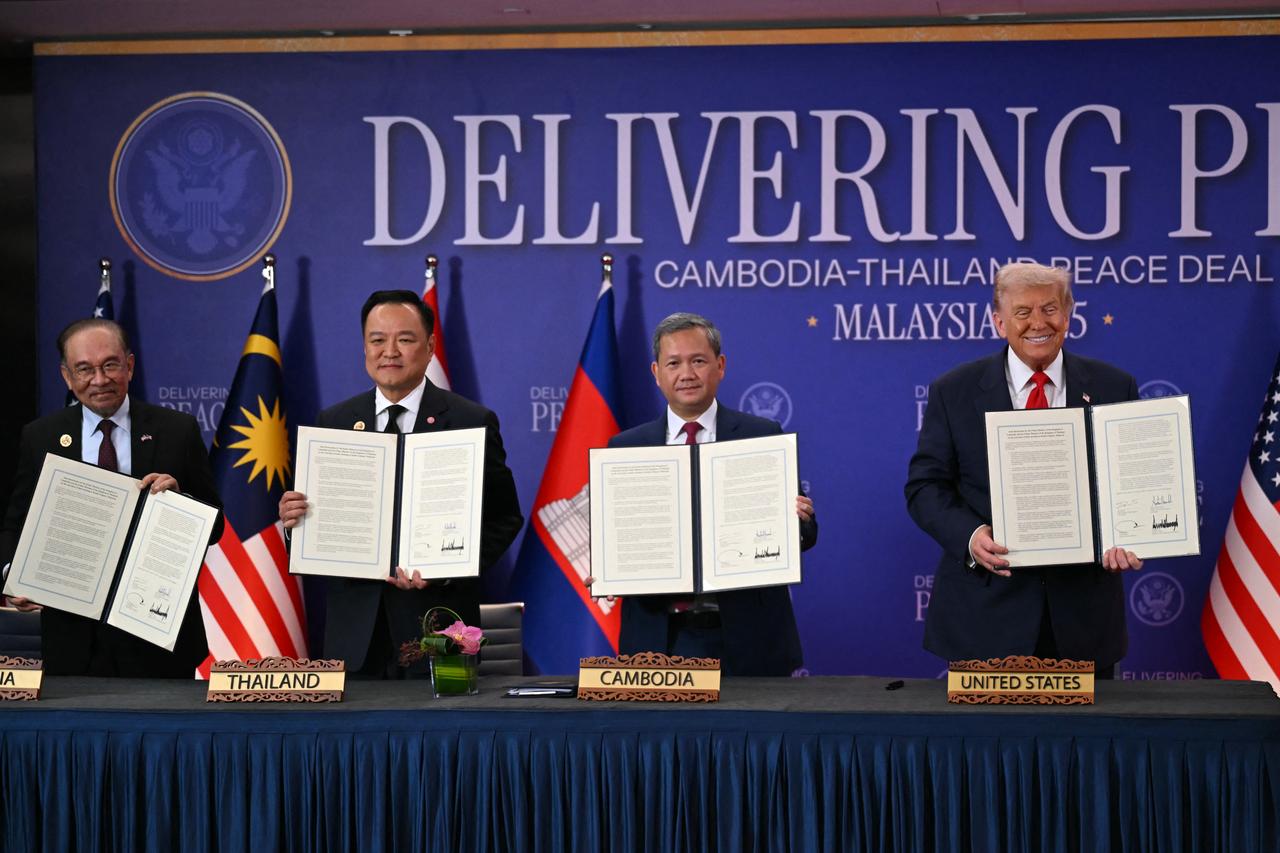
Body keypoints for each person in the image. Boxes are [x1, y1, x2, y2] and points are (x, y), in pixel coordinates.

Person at [905, 262, 1142, 676]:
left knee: (1082, 743)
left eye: (1050, 309)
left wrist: (1132, 532)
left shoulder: (1113, 387)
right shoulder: (953, 391)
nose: (1038, 323)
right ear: (999, 322)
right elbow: (925, 488)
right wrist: (971, 536)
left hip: (1083, 619)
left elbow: (1131, 484)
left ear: (1068, 315)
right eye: (1022, 312)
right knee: (982, 743)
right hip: (984, 618)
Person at [278, 290, 523, 677]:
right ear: (364, 348)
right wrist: (295, 522)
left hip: (440, 628)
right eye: (377, 340)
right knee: (353, 739)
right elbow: (313, 528)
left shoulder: (469, 421)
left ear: (429, 348)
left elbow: (504, 519)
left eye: (404, 340)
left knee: (444, 736)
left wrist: (445, 568)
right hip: (353, 636)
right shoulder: (335, 422)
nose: (389, 351)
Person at [598, 312, 817, 677]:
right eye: (674, 363)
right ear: (656, 373)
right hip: (658, 640)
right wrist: (606, 565)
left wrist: (800, 522)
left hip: (748, 637)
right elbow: (619, 539)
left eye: (698, 361)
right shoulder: (625, 448)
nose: (687, 373)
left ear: (720, 365)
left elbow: (805, 536)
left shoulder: (761, 436)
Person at [0, 318, 222, 676]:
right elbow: (15, 524)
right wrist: (14, 577)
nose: (99, 380)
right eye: (84, 369)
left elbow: (216, 527)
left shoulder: (176, 430)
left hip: (158, 639)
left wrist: (182, 501)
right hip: (72, 640)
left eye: (110, 365)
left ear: (129, 366)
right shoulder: (40, 437)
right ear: (66, 376)